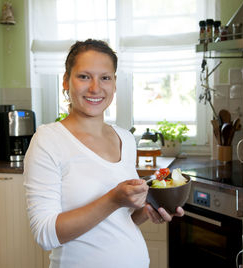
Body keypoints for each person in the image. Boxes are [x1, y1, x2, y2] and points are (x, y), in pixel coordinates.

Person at [24, 39, 184, 268]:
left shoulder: (126, 139)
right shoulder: (48, 141)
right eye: (84, 76)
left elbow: (119, 222)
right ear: (66, 81)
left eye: (105, 77)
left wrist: (149, 210)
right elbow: (45, 234)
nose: (95, 88)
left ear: (115, 83)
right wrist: (112, 199)